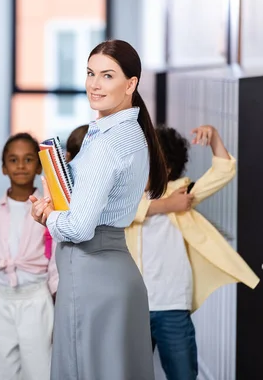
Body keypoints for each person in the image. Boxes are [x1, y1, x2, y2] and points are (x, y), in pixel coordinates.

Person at [30, 39, 167, 380]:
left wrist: (48, 216)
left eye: (108, 75)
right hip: (117, 276)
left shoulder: (107, 143)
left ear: (130, 84)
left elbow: (78, 229)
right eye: (91, 73)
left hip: (90, 277)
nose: (94, 84)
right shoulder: (129, 134)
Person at [125, 124, 259, 380]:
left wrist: (215, 138)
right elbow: (123, 214)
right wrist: (165, 205)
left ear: (167, 168)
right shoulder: (126, 202)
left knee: (183, 375)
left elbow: (223, 170)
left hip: (173, 306)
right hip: (134, 307)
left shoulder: (182, 195)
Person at [0, 133, 58, 379]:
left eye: (28, 159)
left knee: (41, 371)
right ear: (3, 167)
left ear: (39, 166)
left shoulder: (51, 212)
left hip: (38, 302)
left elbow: (55, 272)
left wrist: (61, 318)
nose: (20, 165)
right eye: (13, 159)